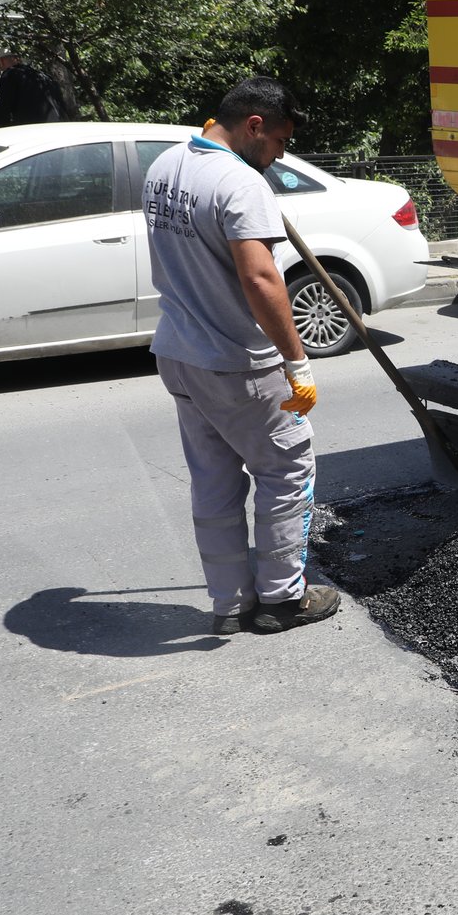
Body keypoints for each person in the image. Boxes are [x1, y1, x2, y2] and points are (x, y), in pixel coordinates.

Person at [143, 77, 339, 635]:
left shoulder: (164, 167)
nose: (279, 156)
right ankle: (282, 599)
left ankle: (229, 604)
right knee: (286, 470)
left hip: (179, 354)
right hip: (236, 362)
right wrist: (297, 361)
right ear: (254, 125)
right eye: (278, 142)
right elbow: (261, 279)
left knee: (214, 482)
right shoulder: (240, 183)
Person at [0, 51, 67, 128]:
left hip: (33, 129)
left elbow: (4, 108)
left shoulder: (10, 74)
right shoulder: (43, 76)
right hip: (58, 126)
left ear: (1, 61)